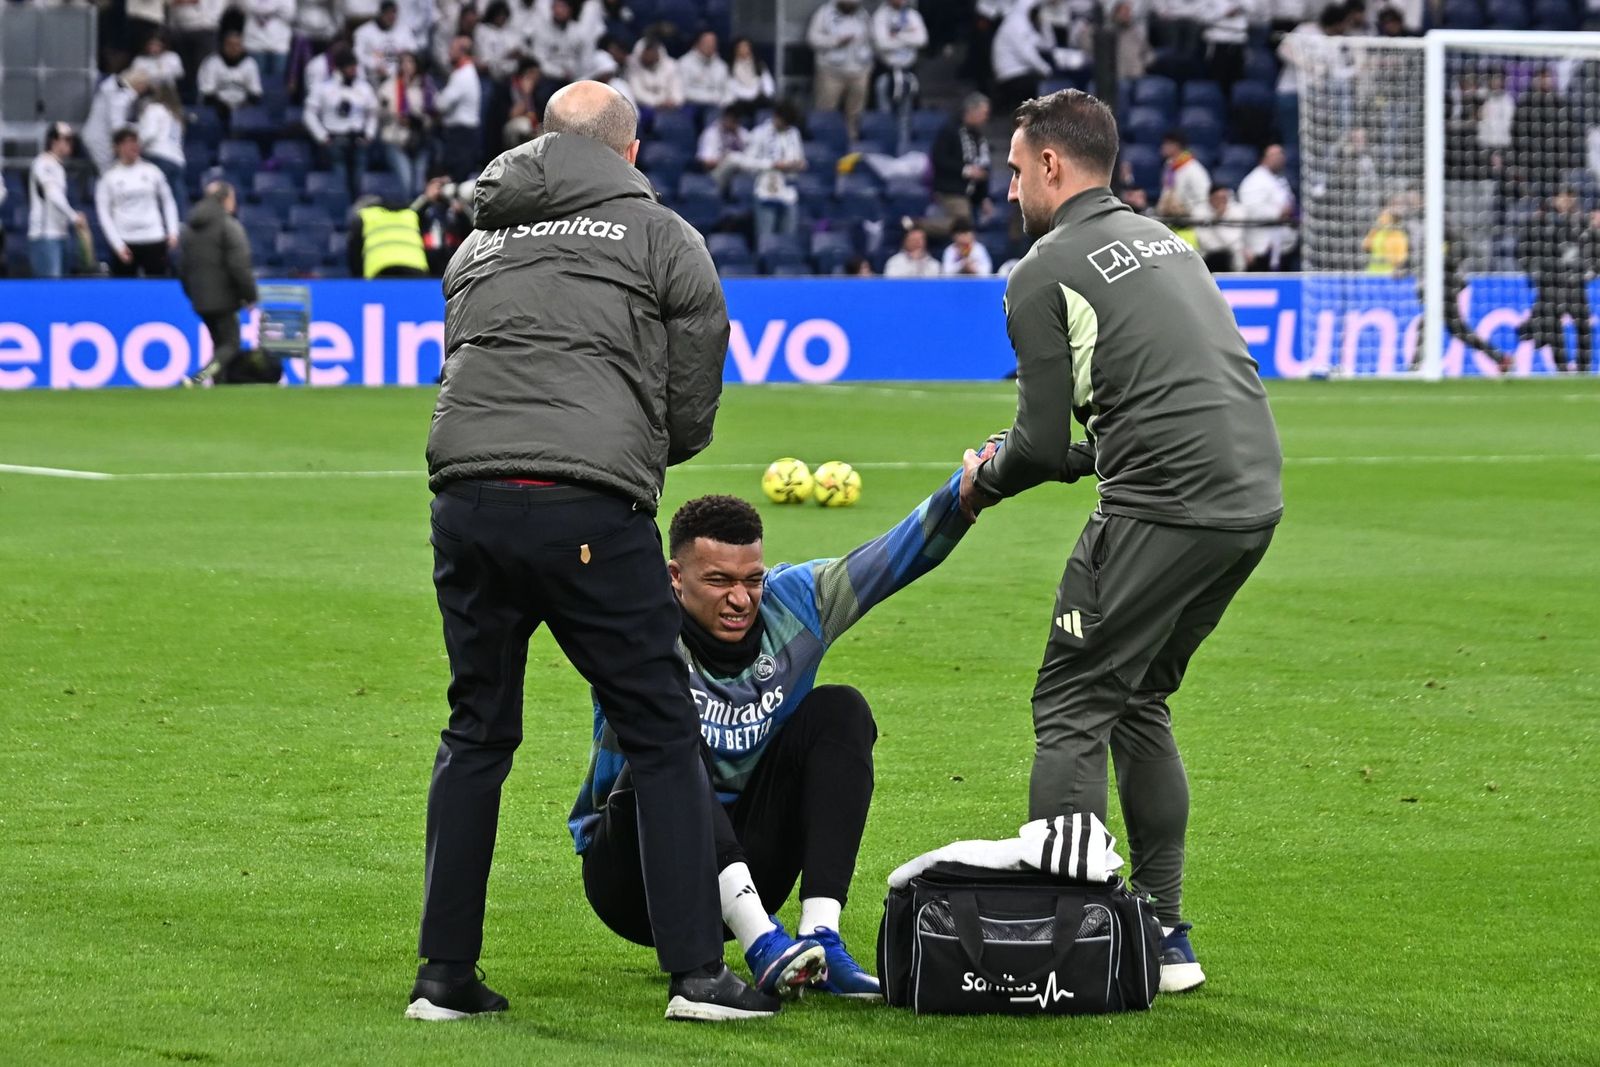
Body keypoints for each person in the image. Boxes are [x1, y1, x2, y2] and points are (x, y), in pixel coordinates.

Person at [417, 80, 770, 1023]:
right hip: (584, 504)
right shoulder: (659, 233)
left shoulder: (480, 234)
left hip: (467, 497)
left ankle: (442, 976)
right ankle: (699, 972)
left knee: (477, 731)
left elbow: (464, 351)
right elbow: (695, 369)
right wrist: (653, 453)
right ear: (630, 151)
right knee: (659, 731)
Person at [959, 89, 1282, 996]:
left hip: (1163, 504)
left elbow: (1032, 444)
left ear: (1052, 166)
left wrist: (980, 477)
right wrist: (1055, 459)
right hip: (1252, 500)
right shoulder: (1169, 242)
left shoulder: (1042, 269)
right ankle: (1165, 932)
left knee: (1073, 700)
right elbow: (1143, 408)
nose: (1009, 186)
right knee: (1138, 695)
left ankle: (1067, 952)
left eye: (1017, 169)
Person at [575, 478, 975, 1001]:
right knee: (667, 731)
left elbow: (892, 558)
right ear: (674, 577)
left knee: (841, 710)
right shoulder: (639, 628)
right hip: (635, 875)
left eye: (752, 580)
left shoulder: (797, 604)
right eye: (719, 580)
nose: (740, 599)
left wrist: (963, 497)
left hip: (751, 857)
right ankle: (761, 941)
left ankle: (821, 939)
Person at [181, 181, 258, 385]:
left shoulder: (189, 227)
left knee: (219, 344)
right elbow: (240, 265)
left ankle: (219, 386)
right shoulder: (227, 225)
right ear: (226, 199)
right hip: (224, 297)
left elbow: (182, 266)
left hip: (199, 297)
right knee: (231, 343)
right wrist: (250, 296)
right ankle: (199, 378)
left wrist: (192, 293)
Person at [1518, 188, 1593, 373]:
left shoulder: (1582, 223)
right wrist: (1533, 270)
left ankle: (1583, 369)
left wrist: (1591, 270)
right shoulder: (1540, 221)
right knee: (1553, 328)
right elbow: (1523, 249)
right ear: (1555, 198)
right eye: (1562, 197)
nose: (1566, 201)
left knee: (1583, 325)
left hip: (1575, 284)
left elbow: (1593, 248)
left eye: (1570, 197)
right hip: (1550, 283)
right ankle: (1562, 369)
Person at [95, 128, 180, 278]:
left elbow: (168, 201)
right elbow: (104, 215)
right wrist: (118, 245)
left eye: (135, 141)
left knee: (157, 289)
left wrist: (173, 231)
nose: (133, 146)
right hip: (126, 242)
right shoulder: (109, 178)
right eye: (127, 142)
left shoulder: (153, 172)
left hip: (154, 238)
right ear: (117, 147)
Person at [305, 49, 380, 200]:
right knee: (339, 185)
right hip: (335, 139)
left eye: (354, 66)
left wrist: (370, 134)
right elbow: (309, 114)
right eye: (349, 66)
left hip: (358, 140)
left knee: (360, 185)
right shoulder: (323, 87)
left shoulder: (364, 87)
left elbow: (373, 113)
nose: (353, 70)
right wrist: (322, 137)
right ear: (339, 68)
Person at [921, 93, 992, 237]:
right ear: (972, 111)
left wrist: (984, 197)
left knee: (965, 224)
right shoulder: (949, 130)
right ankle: (918, 225)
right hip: (950, 190)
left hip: (972, 194)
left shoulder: (979, 136)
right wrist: (966, 170)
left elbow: (984, 166)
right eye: (984, 113)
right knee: (964, 225)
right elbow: (939, 159)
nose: (986, 118)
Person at [27, 123, 89, 280]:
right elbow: (52, 194)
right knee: (50, 287)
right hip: (45, 235)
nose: (70, 143)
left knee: (62, 287)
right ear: (53, 141)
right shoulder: (43, 163)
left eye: (71, 140)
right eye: (66, 139)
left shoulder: (58, 166)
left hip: (60, 233)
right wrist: (73, 216)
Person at [807, 0, 873, 139]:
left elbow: (871, 40)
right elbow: (812, 38)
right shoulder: (824, 13)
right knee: (826, 110)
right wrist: (835, 41)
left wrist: (868, 65)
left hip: (859, 71)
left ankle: (852, 142)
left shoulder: (863, 15)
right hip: (831, 72)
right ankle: (824, 141)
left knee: (856, 113)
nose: (850, 5)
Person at [743, 101, 806, 239]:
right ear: (776, 117)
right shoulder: (759, 133)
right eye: (784, 123)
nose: (786, 128)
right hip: (766, 190)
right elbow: (747, 162)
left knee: (789, 240)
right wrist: (773, 165)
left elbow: (799, 157)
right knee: (766, 238)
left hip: (788, 191)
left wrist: (799, 164)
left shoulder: (794, 133)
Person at [871, 0, 927, 149]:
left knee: (905, 116)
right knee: (884, 115)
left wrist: (897, 36)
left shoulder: (912, 15)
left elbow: (921, 40)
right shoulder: (881, 16)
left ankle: (903, 149)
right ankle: (884, 149)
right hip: (886, 72)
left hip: (907, 73)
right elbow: (882, 43)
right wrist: (908, 37)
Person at [379, 52, 435, 198]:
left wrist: (418, 118)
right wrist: (395, 113)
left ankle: (419, 217)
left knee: (418, 186)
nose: (407, 66)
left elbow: (435, 111)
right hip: (396, 140)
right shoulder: (389, 86)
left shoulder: (426, 86)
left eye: (410, 62)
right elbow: (379, 112)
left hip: (420, 140)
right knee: (406, 183)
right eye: (403, 62)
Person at [1235, 144, 1298, 271]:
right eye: (1275, 155)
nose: (1280, 158)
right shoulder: (1254, 180)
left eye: (1281, 154)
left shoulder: (1278, 179)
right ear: (1263, 158)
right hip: (1263, 247)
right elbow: (1251, 210)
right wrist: (1279, 212)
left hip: (1282, 245)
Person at [435, 36, 484, 181]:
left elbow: (442, 105)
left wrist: (433, 97)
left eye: (452, 49)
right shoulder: (465, 73)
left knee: (456, 179)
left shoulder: (463, 75)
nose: (449, 53)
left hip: (461, 135)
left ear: (462, 52)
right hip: (464, 134)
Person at [83, 69, 148, 175]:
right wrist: (137, 129)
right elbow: (117, 126)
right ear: (140, 84)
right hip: (100, 140)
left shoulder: (113, 87)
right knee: (108, 175)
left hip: (97, 136)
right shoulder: (122, 96)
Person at [347, 193, 430, 276]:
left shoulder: (365, 216)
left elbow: (355, 252)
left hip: (379, 271)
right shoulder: (411, 214)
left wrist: (359, 279)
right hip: (416, 270)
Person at [991, 0, 1051, 112]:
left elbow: (1047, 45)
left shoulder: (1025, 24)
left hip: (1023, 72)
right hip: (1010, 75)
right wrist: (1045, 69)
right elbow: (1027, 53)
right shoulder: (1015, 24)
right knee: (1045, 85)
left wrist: (1045, 24)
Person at [138, 83, 188, 203]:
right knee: (174, 200)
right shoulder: (176, 115)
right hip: (177, 160)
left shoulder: (155, 108)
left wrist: (137, 146)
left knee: (156, 200)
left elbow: (149, 134)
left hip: (158, 157)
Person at [198, 31, 264, 119]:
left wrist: (242, 106)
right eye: (230, 45)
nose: (233, 48)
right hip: (217, 109)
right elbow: (207, 93)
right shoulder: (212, 61)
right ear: (223, 45)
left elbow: (256, 93)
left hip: (243, 110)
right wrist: (224, 107)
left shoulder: (250, 63)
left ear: (242, 47)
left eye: (237, 45)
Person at [354, 0, 419, 83]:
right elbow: (358, 55)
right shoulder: (364, 32)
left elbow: (413, 52)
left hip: (399, 78)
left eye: (393, 13)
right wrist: (374, 65)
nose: (390, 16)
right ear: (380, 14)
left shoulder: (404, 31)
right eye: (387, 13)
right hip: (373, 78)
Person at [1156, 129, 1211, 223]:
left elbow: (1203, 197)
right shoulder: (1169, 165)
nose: (1162, 147)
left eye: (1166, 144)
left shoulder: (1193, 168)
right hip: (1171, 216)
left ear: (1175, 146)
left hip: (1190, 218)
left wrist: (1186, 210)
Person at [1195, 184, 1247, 272]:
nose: (1221, 202)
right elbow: (1205, 243)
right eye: (1218, 198)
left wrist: (1217, 221)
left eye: (1224, 198)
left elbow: (1232, 241)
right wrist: (1216, 218)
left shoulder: (1237, 211)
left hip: (1233, 257)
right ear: (1210, 198)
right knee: (1217, 257)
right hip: (1209, 257)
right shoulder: (1199, 212)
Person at [628, 37, 685, 112]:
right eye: (647, 53)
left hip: (670, 105)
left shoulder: (671, 65)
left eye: (653, 52)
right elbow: (637, 93)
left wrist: (674, 101)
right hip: (645, 106)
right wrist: (658, 102)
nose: (650, 56)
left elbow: (677, 90)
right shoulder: (632, 65)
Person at [244, 0, 295, 80]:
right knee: (256, 83)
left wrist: (263, 7)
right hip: (254, 44)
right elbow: (247, 6)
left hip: (279, 45)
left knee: (276, 85)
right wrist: (276, 7)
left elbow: (290, 14)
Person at [679, 31, 730, 111]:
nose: (710, 45)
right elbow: (684, 91)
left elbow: (727, 90)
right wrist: (711, 98)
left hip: (718, 105)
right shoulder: (684, 63)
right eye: (707, 43)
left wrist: (725, 102)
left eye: (713, 43)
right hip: (693, 105)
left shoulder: (721, 65)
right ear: (697, 44)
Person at [725, 36, 775, 108]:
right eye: (741, 47)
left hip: (759, 103)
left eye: (746, 46)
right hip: (738, 104)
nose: (744, 49)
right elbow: (733, 89)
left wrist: (764, 95)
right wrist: (754, 94)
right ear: (736, 49)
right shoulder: (730, 67)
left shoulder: (759, 65)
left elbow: (769, 86)